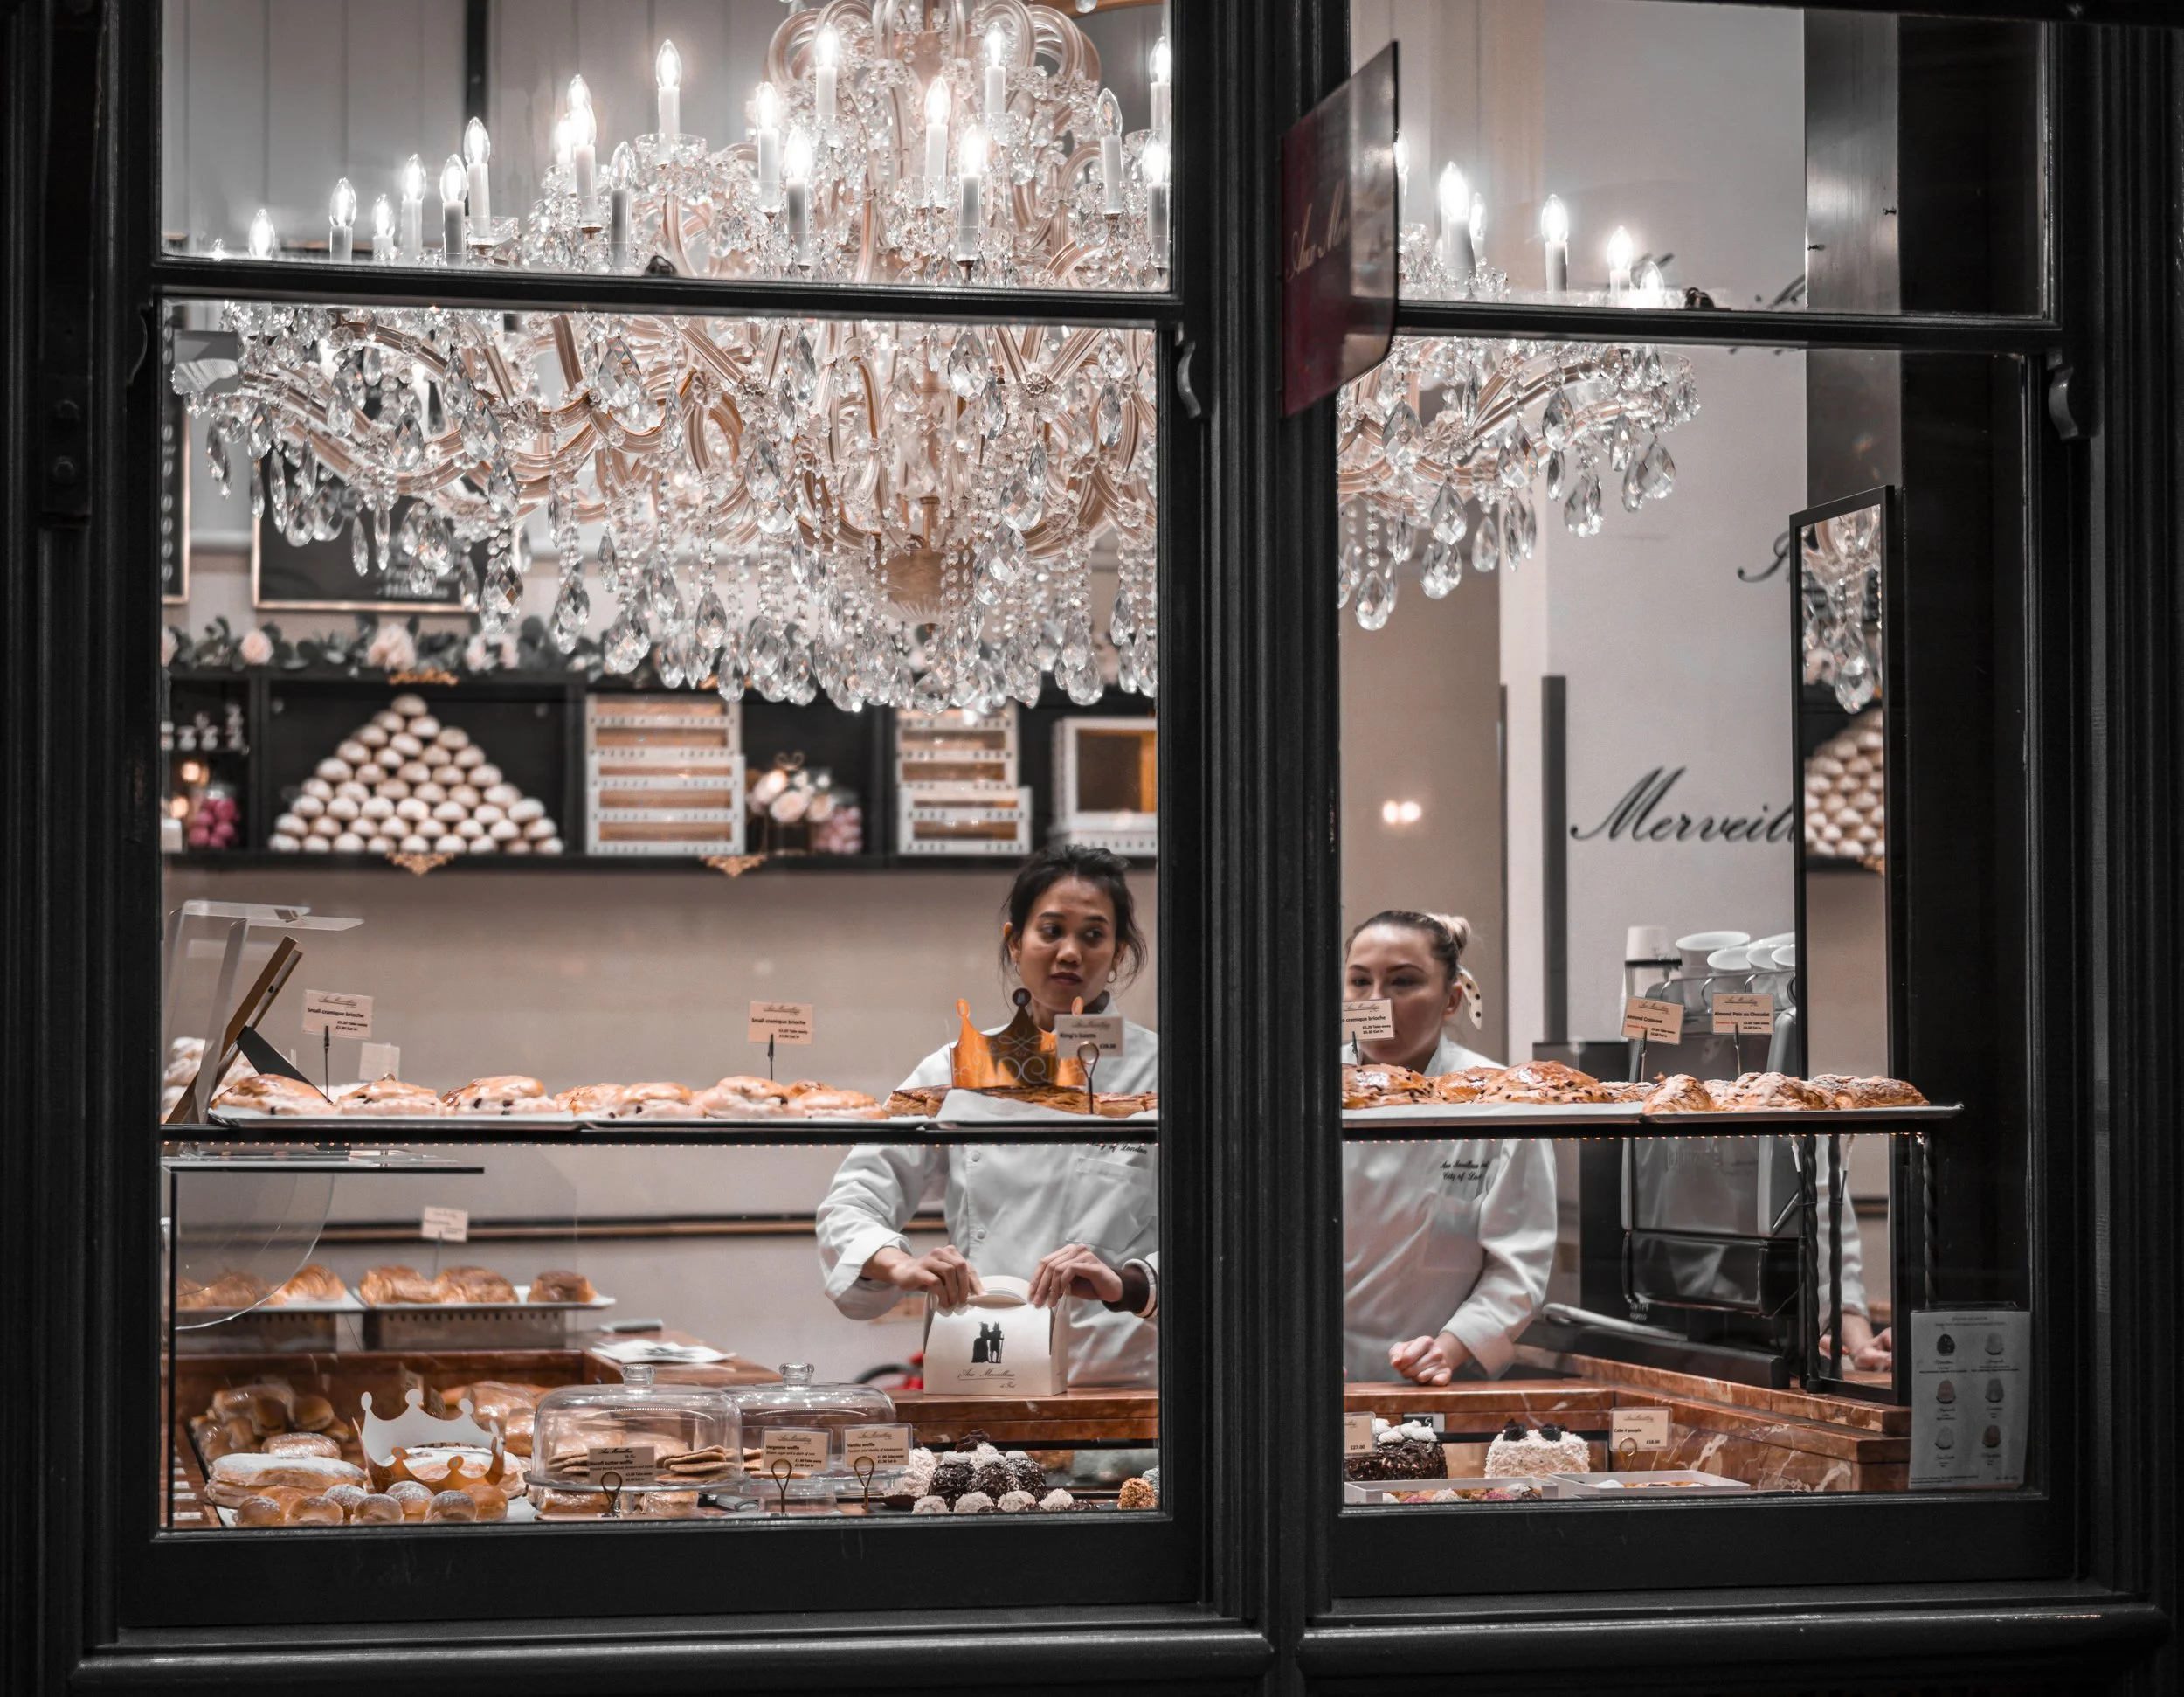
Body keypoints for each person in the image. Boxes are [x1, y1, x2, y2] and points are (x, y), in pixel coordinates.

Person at [815, 845, 1160, 1388]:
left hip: (1119, 1385)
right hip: (984, 1371)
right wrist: (900, 1265)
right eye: (1051, 930)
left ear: (1117, 953)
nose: (1070, 952)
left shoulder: (1166, 1075)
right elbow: (853, 1200)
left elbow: (1221, 1233)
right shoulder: (952, 1069)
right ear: (1014, 942)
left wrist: (1130, 1282)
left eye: (1093, 936)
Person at [1342, 911, 1556, 1384]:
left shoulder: (1498, 1102)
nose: (1377, 1001)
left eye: (1402, 982)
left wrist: (1447, 1350)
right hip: (1305, 1387)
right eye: (1360, 981)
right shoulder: (1303, 1095)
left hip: (1436, 1388)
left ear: (1451, 999)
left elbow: (1518, 1267)